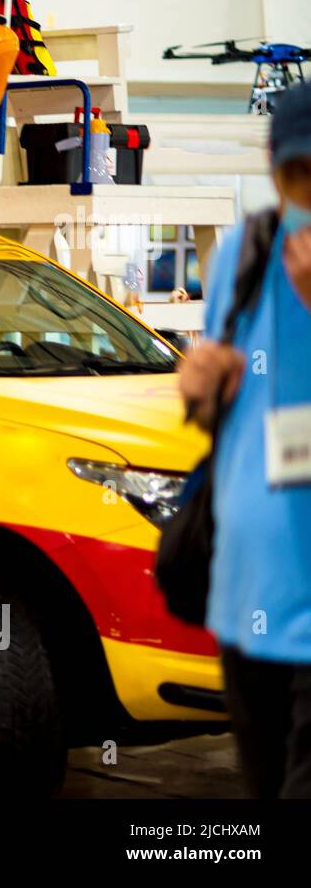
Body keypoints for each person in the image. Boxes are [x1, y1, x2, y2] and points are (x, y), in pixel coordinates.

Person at [177, 80, 311, 798]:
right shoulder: (248, 251)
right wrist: (202, 384)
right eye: (299, 173)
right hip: (248, 588)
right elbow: (217, 414)